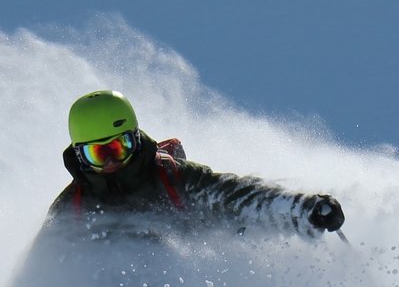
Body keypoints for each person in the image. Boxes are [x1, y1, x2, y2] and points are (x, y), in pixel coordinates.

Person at [45, 90, 345, 236]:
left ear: (135, 140)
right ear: (79, 156)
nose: (112, 162)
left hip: (198, 275)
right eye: (97, 155)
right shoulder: (71, 206)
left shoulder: (170, 175)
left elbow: (235, 193)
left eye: (119, 147)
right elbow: (44, 270)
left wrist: (303, 207)